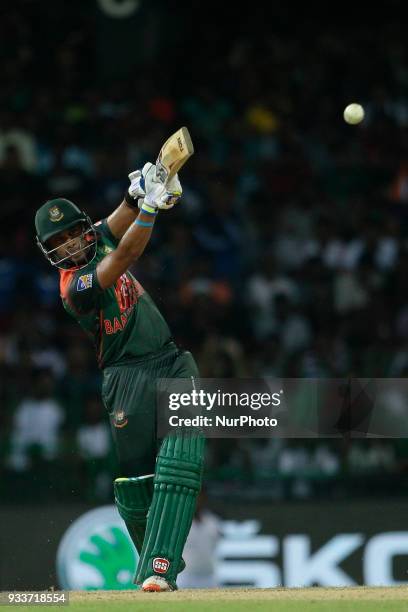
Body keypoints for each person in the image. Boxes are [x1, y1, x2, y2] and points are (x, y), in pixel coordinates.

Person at [34, 163, 205, 592]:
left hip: (170, 361)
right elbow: (126, 254)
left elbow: (118, 218)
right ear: (49, 251)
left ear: (83, 229)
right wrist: (150, 208)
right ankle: (156, 576)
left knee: (180, 460)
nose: (70, 246)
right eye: (58, 243)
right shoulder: (75, 286)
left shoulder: (97, 235)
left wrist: (145, 190)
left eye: (73, 234)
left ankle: (159, 567)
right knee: (136, 486)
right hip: (125, 376)